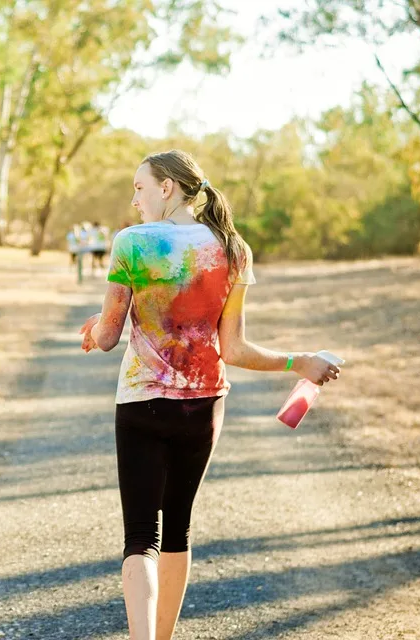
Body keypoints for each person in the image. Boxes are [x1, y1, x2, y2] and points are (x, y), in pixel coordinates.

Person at [78, 150, 341, 640]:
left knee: (141, 535)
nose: (133, 199)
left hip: (141, 402)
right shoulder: (234, 249)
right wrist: (298, 361)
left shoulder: (131, 243)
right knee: (177, 527)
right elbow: (234, 348)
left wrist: (95, 330)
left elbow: (110, 336)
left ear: (167, 188)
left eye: (140, 187)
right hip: (204, 407)